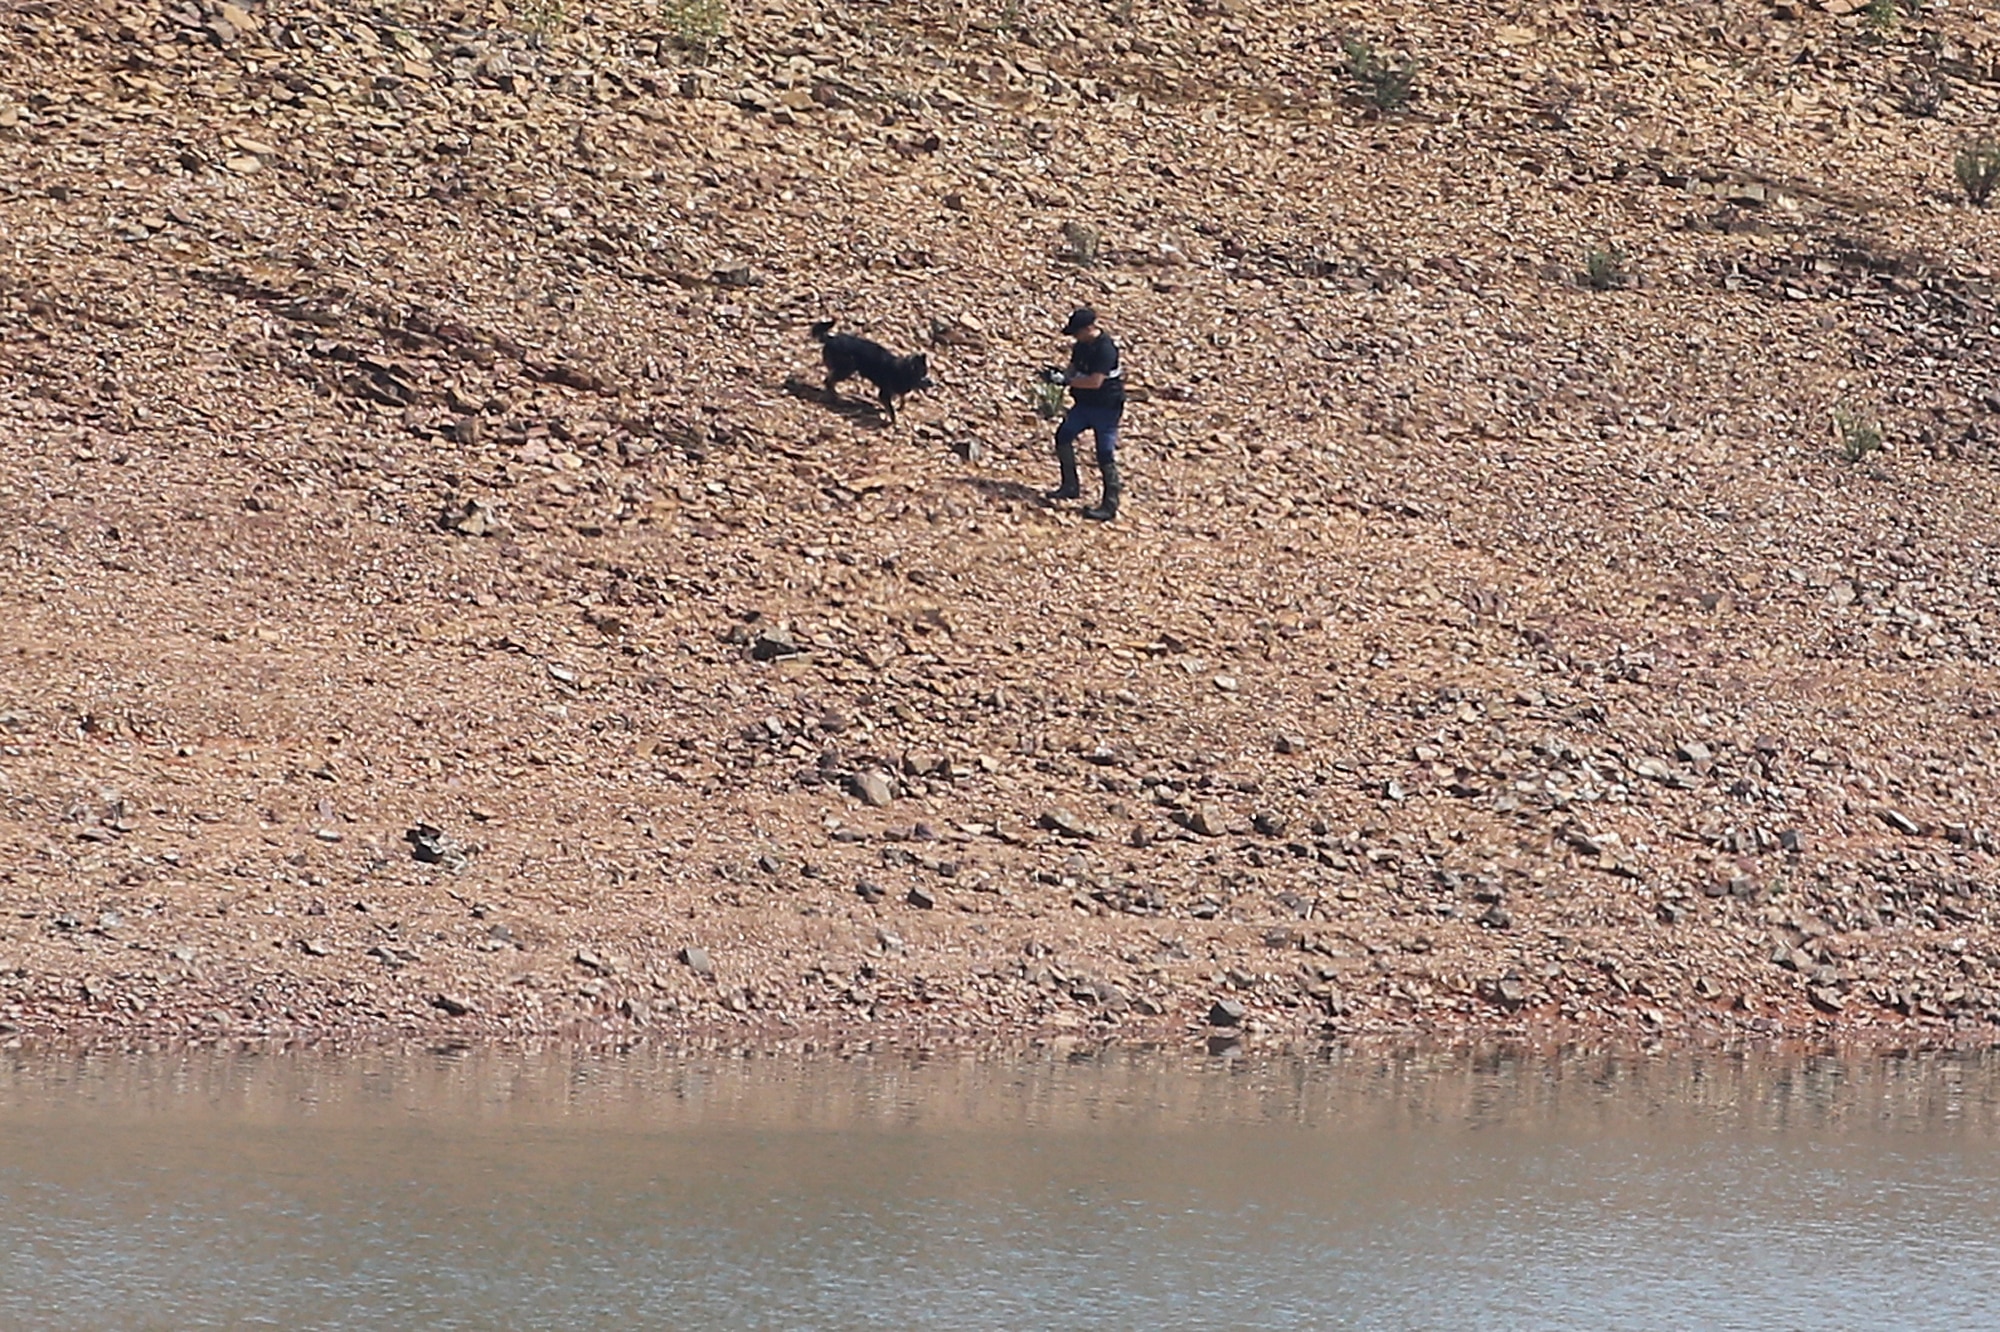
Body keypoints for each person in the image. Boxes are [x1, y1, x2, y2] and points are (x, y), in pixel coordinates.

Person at [1042, 307, 1125, 521]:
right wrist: (1057, 375)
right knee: (1063, 435)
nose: (1075, 337)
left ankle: (1109, 505)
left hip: (1106, 408)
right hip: (1084, 405)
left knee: (1104, 453)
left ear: (1089, 328)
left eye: (1078, 332)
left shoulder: (1106, 349)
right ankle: (1070, 485)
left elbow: (1094, 381)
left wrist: (1066, 381)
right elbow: (1073, 368)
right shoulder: (1081, 346)